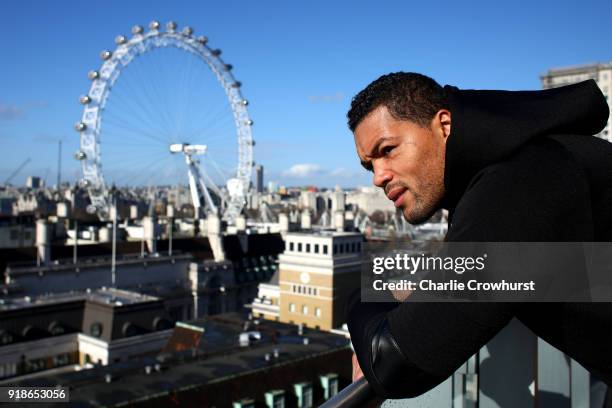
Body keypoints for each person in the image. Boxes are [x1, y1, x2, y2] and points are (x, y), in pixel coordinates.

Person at [345, 72, 612, 400]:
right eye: (369, 166)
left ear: (443, 125)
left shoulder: (518, 183)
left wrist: (361, 299)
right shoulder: (534, 163)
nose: (378, 177)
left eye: (387, 149)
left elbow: (396, 362)